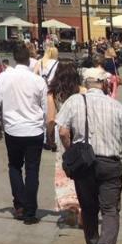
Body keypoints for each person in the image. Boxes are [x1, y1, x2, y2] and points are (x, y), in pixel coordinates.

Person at [57, 68, 122, 244]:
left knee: (88, 208)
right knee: (110, 209)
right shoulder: (116, 106)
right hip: (110, 164)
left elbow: (63, 132)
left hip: (84, 164)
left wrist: (70, 150)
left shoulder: (73, 101)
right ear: (105, 84)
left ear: (85, 84)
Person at [0, 43, 49, 225]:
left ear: (14, 58)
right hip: (34, 130)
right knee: (32, 170)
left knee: (14, 166)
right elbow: (45, 107)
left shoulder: (5, 77)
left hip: (13, 129)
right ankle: (30, 212)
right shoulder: (38, 80)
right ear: (29, 59)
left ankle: (19, 205)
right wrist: (46, 128)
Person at [46, 61, 83, 225]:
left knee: (65, 171)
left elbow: (51, 119)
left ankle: (70, 208)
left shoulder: (53, 93)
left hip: (62, 135)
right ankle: (83, 208)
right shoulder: (81, 91)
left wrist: (49, 137)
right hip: (80, 133)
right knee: (82, 170)